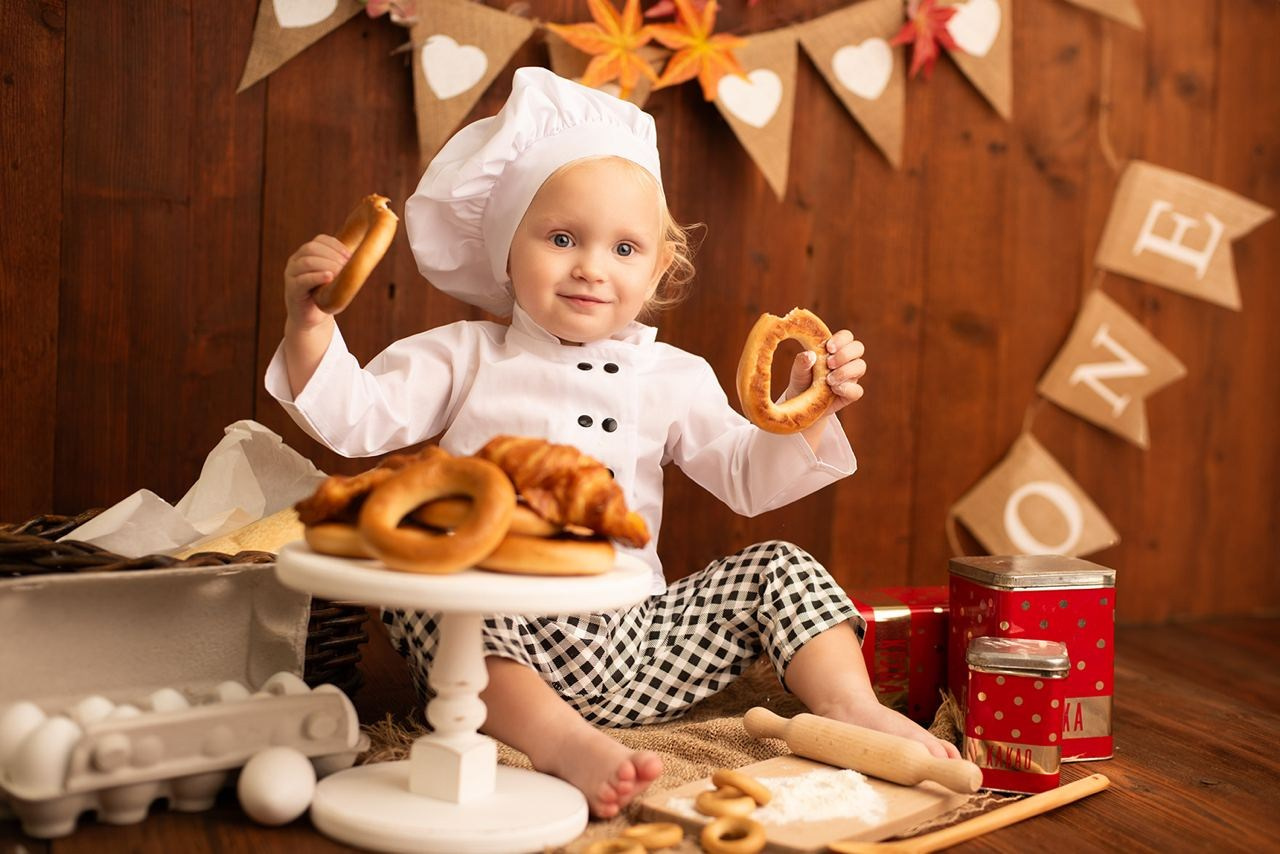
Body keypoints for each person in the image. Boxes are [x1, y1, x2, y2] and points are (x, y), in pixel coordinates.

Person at [267, 67, 959, 819]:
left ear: (659, 265)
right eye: (562, 238)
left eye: (625, 249)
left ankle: (850, 708)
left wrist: (809, 408)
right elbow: (354, 416)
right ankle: (564, 743)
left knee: (781, 569)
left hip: (637, 639)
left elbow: (745, 477)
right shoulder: (467, 354)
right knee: (432, 600)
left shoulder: (672, 374)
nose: (592, 267)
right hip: (502, 632)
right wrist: (312, 327)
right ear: (506, 249)